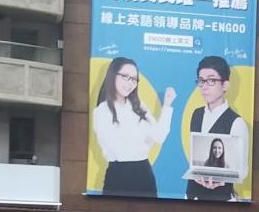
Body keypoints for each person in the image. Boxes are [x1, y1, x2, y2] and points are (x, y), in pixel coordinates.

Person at [93, 56, 176, 197]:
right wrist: (146, 143)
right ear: (113, 75)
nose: (130, 83)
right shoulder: (101, 111)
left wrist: (167, 105)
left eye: (134, 79)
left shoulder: (138, 105)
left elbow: (159, 136)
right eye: (125, 77)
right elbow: (121, 153)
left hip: (144, 174)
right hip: (118, 177)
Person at [185, 56, 248, 201]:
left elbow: (243, 170)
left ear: (225, 85)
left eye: (211, 80)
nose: (204, 86)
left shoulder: (236, 122)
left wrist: (220, 180)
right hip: (192, 195)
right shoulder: (196, 114)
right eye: (201, 81)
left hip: (220, 199)